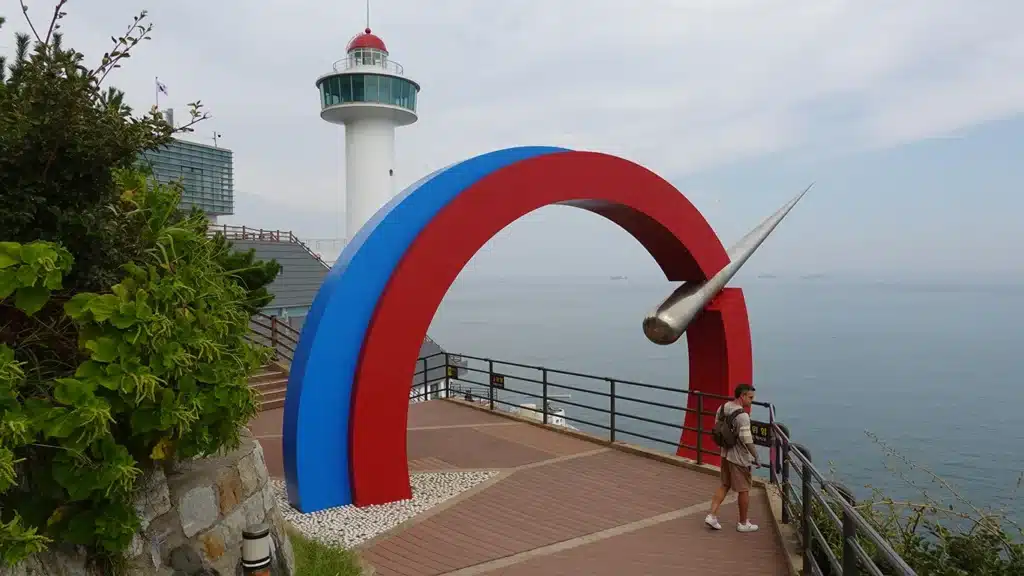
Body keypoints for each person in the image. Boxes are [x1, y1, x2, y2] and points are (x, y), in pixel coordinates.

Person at [705, 383, 760, 533]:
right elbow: (747, 440)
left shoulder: (722, 408)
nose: (751, 401)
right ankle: (743, 523)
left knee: (724, 484)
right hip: (739, 458)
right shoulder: (743, 416)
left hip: (725, 454)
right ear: (742, 396)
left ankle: (712, 515)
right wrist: (756, 457)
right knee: (744, 489)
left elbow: (718, 427)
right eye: (750, 397)